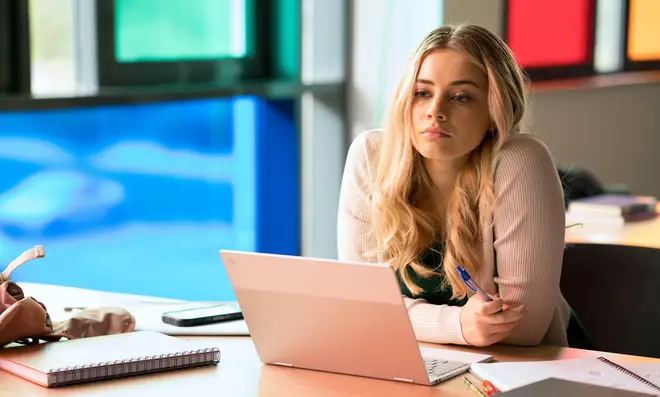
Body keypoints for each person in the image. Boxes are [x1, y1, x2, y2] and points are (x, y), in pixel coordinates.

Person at [337, 24, 592, 348]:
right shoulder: (371, 156)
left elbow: (523, 327)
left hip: (533, 370)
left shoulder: (520, 161)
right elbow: (359, 307)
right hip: (418, 362)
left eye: (460, 97)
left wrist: (398, 320)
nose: (435, 111)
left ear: (494, 109)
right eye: (422, 93)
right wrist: (457, 325)